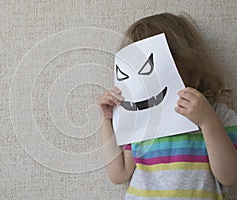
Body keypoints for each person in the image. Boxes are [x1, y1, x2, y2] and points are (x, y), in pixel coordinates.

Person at [98, 13, 237, 199]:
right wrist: (107, 120)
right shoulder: (140, 119)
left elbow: (230, 176)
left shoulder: (217, 114)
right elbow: (118, 174)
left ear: (186, 61)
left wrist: (208, 122)